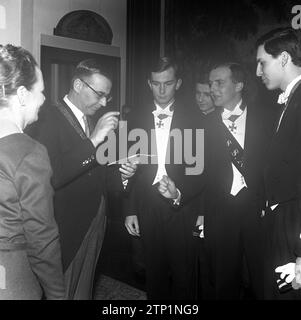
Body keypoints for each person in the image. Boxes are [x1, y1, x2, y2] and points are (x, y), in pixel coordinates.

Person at [26, 59, 137, 299]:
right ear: (78, 85)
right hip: (67, 229)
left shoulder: (91, 123)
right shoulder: (46, 118)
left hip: (95, 224)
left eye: (107, 96)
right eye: (99, 94)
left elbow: (100, 175)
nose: (104, 102)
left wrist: (124, 176)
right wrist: (93, 142)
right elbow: (50, 175)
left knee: (82, 291)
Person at [124, 56, 205, 300]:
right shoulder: (133, 118)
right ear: (149, 84)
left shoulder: (195, 118)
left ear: (178, 83)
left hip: (182, 205)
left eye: (167, 83)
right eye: (156, 83)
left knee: (184, 275)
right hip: (146, 204)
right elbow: (126, 169)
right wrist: (130, 209)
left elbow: (200, 170)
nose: (161, 90)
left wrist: (189, 201)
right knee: (154, 274)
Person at [0, 44, 65, 299]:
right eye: (41, 91)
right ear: (23, 94)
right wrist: (58, 295)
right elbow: (42, 242)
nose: (44, 99)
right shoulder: (29, 153)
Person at [204, 62, 270, 299]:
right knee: (222, 281)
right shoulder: (204, 124)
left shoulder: (267, 118)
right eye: (211, 83)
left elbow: (275, 165)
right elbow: (198, 174)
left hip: (258, 211)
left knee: (263, 280)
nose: (213, 88)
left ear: (239, 85)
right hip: (220, 212)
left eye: (219, 82)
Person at [256, 27, 301, 299]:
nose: (258, 72)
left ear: (283, 58)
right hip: (282, 222)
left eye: (262, 63)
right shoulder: (286, 102)